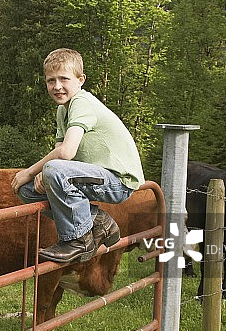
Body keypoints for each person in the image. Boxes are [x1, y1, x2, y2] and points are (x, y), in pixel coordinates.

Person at [10, 48, 145, 263]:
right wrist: (41, 174)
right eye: (50, 80)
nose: (57, 86)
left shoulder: (82, 102)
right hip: (91, 176)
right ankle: (98, 221)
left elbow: (65, 153)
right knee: (26, 190)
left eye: (64, 78)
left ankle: (78, 241)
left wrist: (31, 171)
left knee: (50, 170)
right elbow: (61, 152)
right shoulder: (63, 110)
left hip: (118, 180)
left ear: (81, 79)